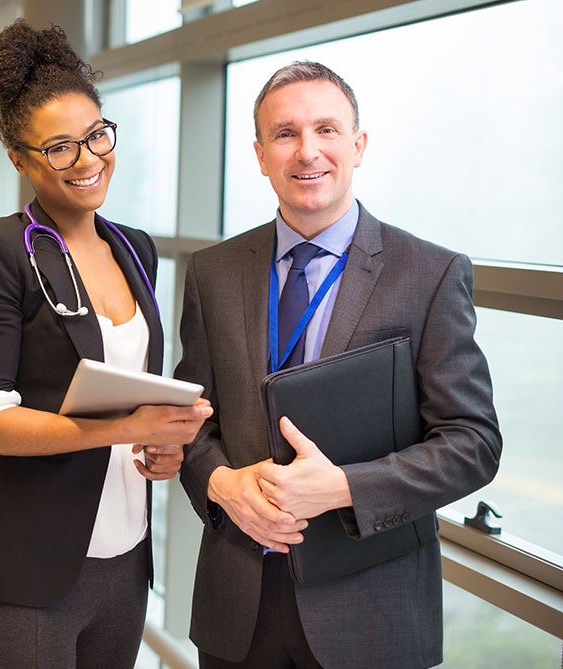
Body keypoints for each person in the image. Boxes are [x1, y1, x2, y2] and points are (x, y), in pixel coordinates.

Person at [174, 61, 502, 668]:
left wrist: (344, 488)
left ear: (358, 145)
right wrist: (221, 484)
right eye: (285, 133)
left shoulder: (430, 274)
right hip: (238, 606)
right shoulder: (213, 272)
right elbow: (191, 418)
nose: (307, 151)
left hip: (370, 614)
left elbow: (473, 443)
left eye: (326, 129)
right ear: (260, 154)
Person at [0, 19, 212, 669]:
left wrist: (161, 444)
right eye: (60, 148)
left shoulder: (135, 249)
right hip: (26, 570)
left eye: (96, 135)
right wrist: (126, 428)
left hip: (125, 562)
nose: (89, 160)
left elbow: (134, 390)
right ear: (20, 159)